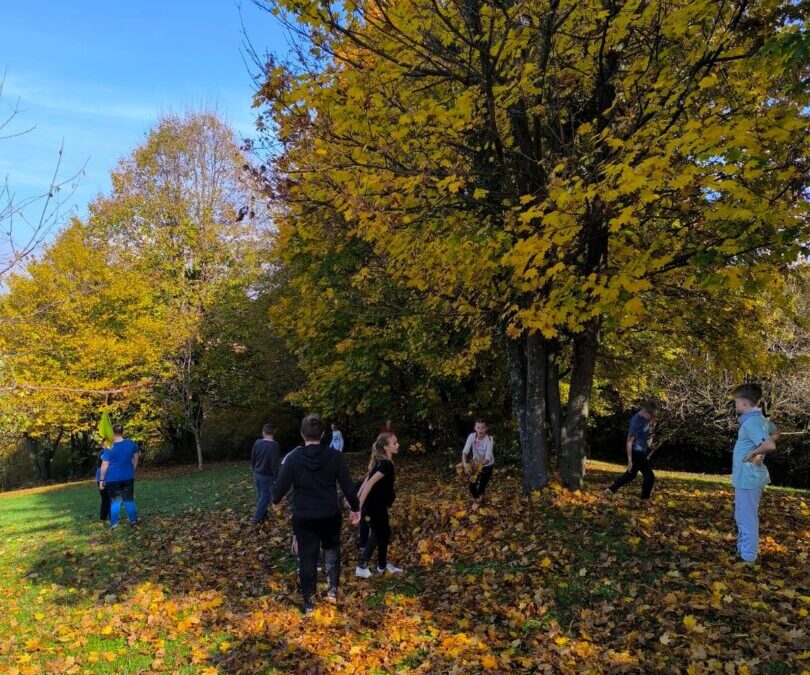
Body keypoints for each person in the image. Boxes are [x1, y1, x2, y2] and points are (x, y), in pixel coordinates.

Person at [272, 414, 360, 614]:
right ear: (323, 434)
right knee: (331, 550)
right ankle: (332, 592)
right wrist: (355, 509)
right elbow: (347, 486)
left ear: (302, 434)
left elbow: (279, 488)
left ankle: (309, 603)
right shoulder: (334, 456)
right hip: (329, 513)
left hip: (304, 516)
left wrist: (276, 502)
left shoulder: (293, 458)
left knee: (307, 556)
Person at [730, 383, 778, 563]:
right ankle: (743, 551)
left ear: (744, 404)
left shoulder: (751, 422)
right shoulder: (760, 419)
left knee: (746, 517)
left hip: (748, 478)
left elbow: (770, 445)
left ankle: (748, 557)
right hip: (747, 477)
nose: (735, 406)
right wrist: (758, 451)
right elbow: (775, 433)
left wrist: (752, 454)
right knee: (742, 514)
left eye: (736, 402)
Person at [355, 433, 402, 578]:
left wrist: (357, 498)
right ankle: (361, 566)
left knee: (384, 533)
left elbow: (366, 480)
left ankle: (382, 565)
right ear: (386, 447)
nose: (397, 445)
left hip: (379, 505)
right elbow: (368, 484)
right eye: (394, 443)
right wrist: (357, 507)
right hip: (374, 506)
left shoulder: (381, 461)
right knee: (378, 533)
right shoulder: (385, 464)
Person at [606, 402, 659, 500]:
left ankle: (610, 490)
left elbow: (645, 435)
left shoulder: (647, 419)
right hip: (636, 451)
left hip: (642, 450)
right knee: (649, 476)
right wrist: (630, 461)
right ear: (645, 411)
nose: (652, 419)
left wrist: (650, 445)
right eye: (651, 416)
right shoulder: (636, 422)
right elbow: (629, 442)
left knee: (630, 475)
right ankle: (645, 499)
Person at [98, 424, 139, 529]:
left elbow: (104, 465)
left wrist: (102, 479)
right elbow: (136, 458)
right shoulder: (131, 444)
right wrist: (132, 469)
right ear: (122, 432)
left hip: (113, 478)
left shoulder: (109, 447)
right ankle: (134, 520)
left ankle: (114, 524)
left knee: (115, 501)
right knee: (129, 499)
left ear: (112, 433)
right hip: (128, 477)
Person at [251, 423, 281, 524]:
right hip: (267, 476)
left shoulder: (257, 442)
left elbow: (253, 458)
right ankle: (256, 519)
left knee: (261, 496)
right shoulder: (274, 445)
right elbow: (274, 465)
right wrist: (276, 478)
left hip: (257, 473)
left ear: (263, 432)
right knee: (265, 498)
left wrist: (253, 469)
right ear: (274, 432)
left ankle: (263, 516)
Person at [461, 419, 495, 499]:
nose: (480, 430)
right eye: (478, 427)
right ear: (475, 428)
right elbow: (465, 452)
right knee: (472, 486)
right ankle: (477, 499)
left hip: (487, 466)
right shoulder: (472, 436)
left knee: (482, 487)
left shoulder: (489, 439)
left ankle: (479, 500)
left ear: (486, 428)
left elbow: (487, 459)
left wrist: (477, 464)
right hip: (475, 465)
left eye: (482, 427)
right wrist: (465, 463)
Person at [95, 449, 110, 522]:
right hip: (105, 478)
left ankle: (104, 517)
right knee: (107, 498)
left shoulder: (102, 452)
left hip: (103, 478)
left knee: (106, 498)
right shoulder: (104, 453)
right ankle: (104, 517)